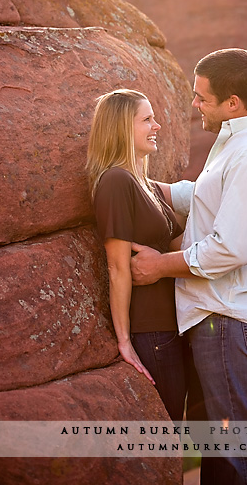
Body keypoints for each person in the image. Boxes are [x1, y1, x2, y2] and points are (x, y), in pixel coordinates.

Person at [131, 48, 247, 484]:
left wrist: (160, 266)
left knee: (241, 456)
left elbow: (230, 248)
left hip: (229, 318)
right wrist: (149, 188)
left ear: (233, 104)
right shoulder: (238, 141)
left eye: (201, 98)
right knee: (221, 461)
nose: (194, 106)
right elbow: (209, 197)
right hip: (217, 317)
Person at [86, 89, 187, 423]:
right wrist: (125, 342)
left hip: (175, 325)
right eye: (147, 120)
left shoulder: (145, 184)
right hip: (152, 332)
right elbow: (117, 268)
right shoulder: (116, 182)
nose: (156, 126)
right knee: (166, 430)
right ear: (121, 128)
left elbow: (177, 243)